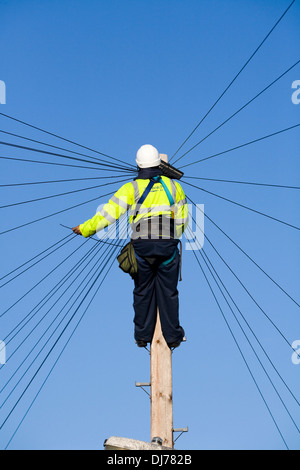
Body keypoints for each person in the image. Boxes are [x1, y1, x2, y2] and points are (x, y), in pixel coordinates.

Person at [72, 144, 188, 349]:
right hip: (167, 247)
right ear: (158, 163)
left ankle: (142, 336)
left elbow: (107, 215)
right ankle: (173, 337)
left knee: (142, 290)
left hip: (142, 248)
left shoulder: (130, 188)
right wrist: (171, 237)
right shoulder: (174, 187)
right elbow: (182, 221)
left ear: (138, 164)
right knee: (169, 292)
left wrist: (85, 228)